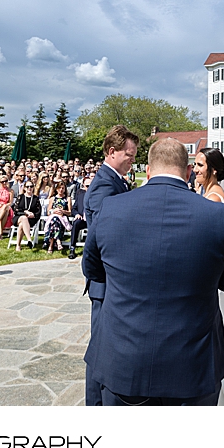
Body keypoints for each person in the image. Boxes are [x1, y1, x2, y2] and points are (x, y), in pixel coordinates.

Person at [82, 137, 224, 406]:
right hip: (192, 363)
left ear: (148, 171)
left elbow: (92, 268)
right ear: (187, 171)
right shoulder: (217, 216)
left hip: (124, 359)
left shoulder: (112, 208)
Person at [81, 124, 139, 407]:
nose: (132, 159)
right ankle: (95, 405)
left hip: (111, 280)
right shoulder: (105, 184)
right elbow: (99, 237)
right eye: (129, 154)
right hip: (106, 281)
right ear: (112, 151)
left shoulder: (116, 180)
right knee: (100, 350)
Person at [66, 175, 92, 260]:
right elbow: (74, 208)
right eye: (87, 186)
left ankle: (92, 250)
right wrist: (76, 214)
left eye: (90, 185)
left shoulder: (96, 195)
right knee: (76, 223)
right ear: (83, 185)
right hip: (82, 219)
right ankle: (72, 248)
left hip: (92, 219)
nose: (89, 187)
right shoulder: (80, 194)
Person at [12, 180, 42, 251]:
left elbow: (39, 211)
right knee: (23, 218)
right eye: (27, 186)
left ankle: (18, 245)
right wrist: (25, 213)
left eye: (31, 186)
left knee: (22, 225)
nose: (29, 188)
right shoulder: (20, 197)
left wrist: (33, 214)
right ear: (24, 188)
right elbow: (16, 210)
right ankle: (29, 239)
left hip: (31, 219)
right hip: (19, 217)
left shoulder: (35, 198)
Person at [44, 181, 72, 253]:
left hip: (62, 219)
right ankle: (58, 241)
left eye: (63, 188)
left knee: (56, 220)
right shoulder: (53, 198)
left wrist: (62, 211)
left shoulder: (67, 198)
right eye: (59, 188)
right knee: (55, 219)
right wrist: (54, 211)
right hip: (53, 218)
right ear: (56, 189)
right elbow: (48, 212)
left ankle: (51, 245)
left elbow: (70, 212)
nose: (61, 190)